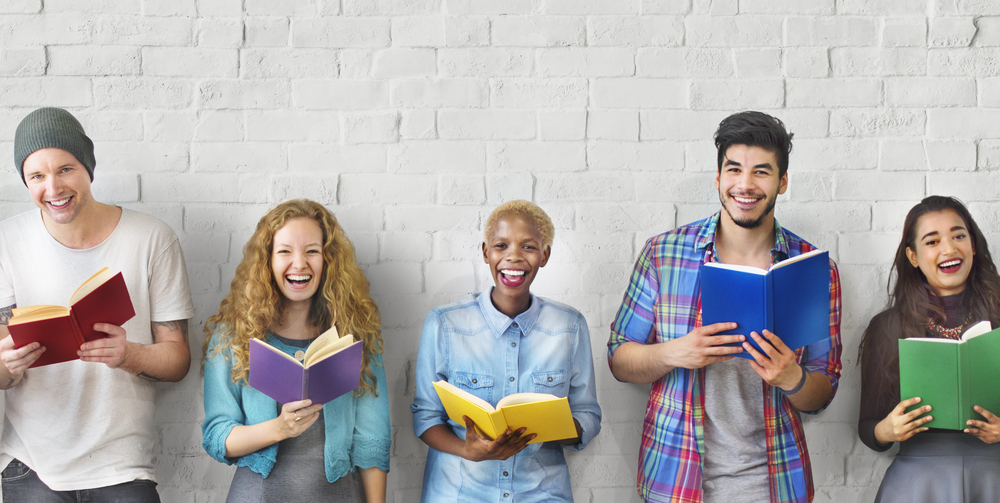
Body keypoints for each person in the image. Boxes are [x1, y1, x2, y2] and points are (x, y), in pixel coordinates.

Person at [607, 111, 843, 503]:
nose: (745, 185)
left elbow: (823, 392)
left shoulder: (815, 270)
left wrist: (791, 378)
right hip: (675, 482)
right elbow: (619, 360)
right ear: (718, 178)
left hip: (773, 485)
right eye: (734, 170)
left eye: (762, 172)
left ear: (782, 182)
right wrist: (676, 352)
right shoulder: (664, 254)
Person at [0, 107, 195, 501]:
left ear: (88, 166)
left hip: (122, 465)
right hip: (30, 465)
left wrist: (131, 356)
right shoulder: (8, 240)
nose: (53, 188)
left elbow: (178, 361)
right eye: (37, 176)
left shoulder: (152, 239)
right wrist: (6, 366)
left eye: (65, 169)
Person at [410, 199, 602, 502]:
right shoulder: (445, 324)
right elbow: (425, 417)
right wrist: (467, 450)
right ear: (486, 252)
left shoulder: (569, 326)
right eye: (501, 246)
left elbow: (588, 414)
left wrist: (555, 426)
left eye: (528, 247)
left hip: (541, 494)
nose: (513, 257)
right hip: (460, 493)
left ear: (545, 255)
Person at [202, 199, 390, 502]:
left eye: (312, 251)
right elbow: (216, 436)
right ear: (267, 260)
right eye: (285, 251)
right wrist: (280, 428)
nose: (299, 263)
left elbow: (372, 442)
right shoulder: (233, 336)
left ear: (328, 259)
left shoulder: (358, 335)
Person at [858, 195, 1000, 502]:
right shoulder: (888, 327)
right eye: (932, 241)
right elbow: (868, 428)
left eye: (959, 236)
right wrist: (888, 430)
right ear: (913, 256)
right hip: (918, 482)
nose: (949, 248)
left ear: (973, 245)